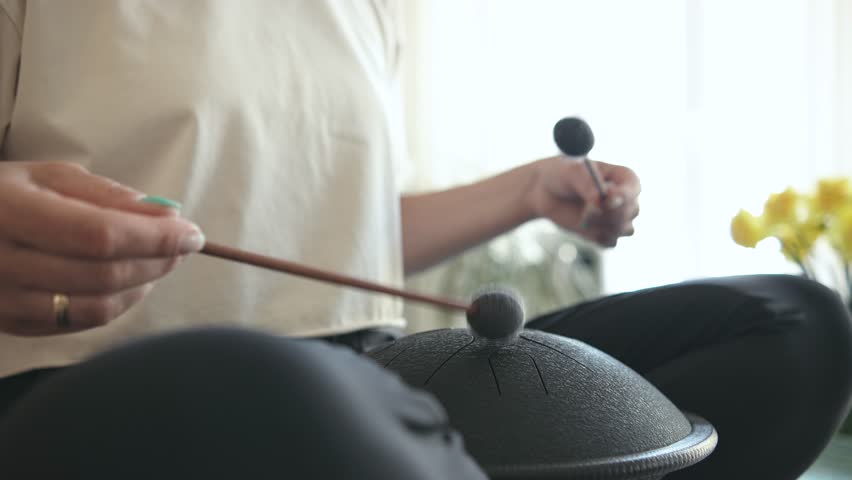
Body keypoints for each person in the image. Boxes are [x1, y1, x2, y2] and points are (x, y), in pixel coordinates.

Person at [0, 1, 849, 479]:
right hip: (113, 392)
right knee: (288, 394)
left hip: (374, 372)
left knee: (797, 326)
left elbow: (342, 240)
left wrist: (524, 192)